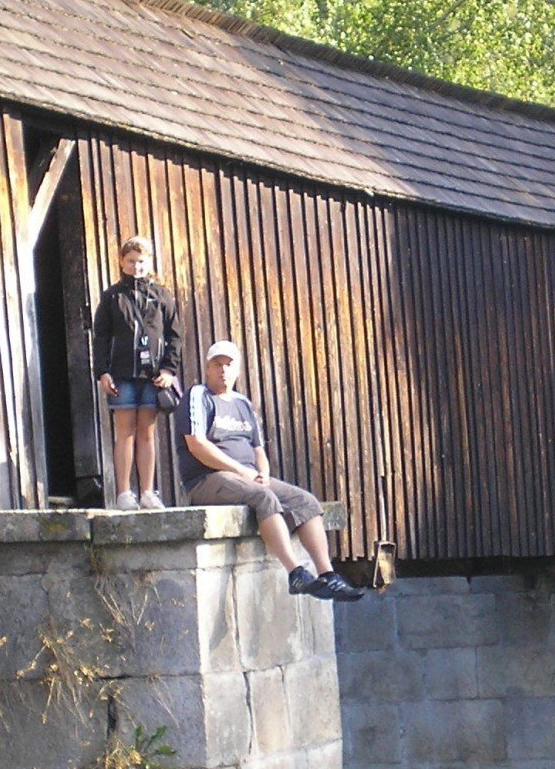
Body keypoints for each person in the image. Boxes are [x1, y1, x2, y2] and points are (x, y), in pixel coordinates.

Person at [178, 341, 365, 601]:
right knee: (263, 497)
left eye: (228, 365)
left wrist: (263, 472)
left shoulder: (243, 404)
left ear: (237, 371)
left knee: (305, 502)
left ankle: (328, 575)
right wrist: (242, 472)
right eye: (217, 365)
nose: (223, 370)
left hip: (247, 477)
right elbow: (197, 445)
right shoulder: (198, 396)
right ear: (207, 369)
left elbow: (258, 449)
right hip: (206, 479)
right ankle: (296, 573)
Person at [91, 236, 181, 510]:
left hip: (153, 376)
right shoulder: (111, 297)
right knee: (125, 433)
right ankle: (123, 494)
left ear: (149, 262)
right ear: (121, 261)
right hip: (121, 374)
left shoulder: (163, 295)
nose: (136, 266)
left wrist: (169, 369)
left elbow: (175, 336)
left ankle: (147, 492)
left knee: (147, 433)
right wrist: (103, 372)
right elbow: (101, 337)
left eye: (141, 261)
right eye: (130, 261)